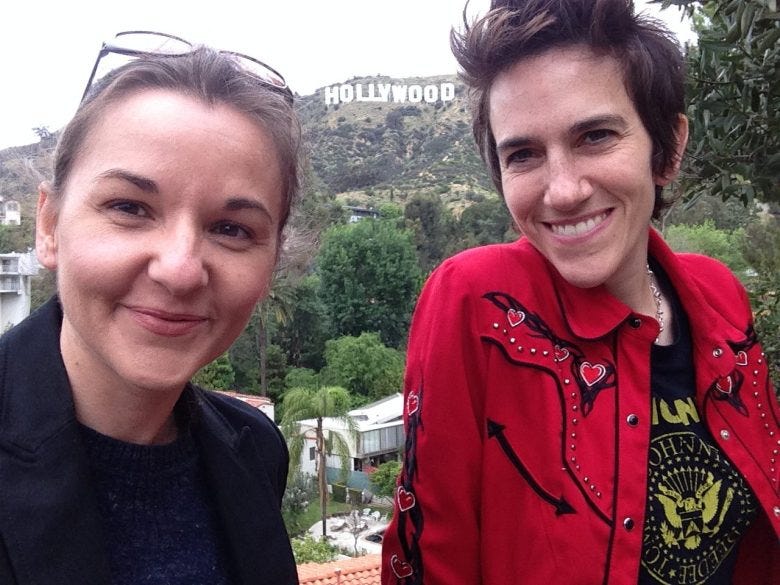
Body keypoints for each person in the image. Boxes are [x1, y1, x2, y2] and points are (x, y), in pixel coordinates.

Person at [381, 1, 779, 583]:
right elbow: (428, 557)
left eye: (594, 136)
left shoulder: (718, 296)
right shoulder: (478, 303)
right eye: (523, 155)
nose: (562, 191)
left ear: (666, 147)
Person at [0, 32, 300, 585]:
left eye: (232, 229)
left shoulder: (254, 452)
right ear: (49, 225)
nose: (180, 268)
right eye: (130, 207)